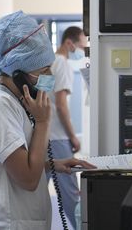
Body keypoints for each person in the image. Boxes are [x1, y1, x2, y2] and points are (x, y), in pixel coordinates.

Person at [0, 11, 94, 229]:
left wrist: (52, 165)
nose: (48, 77)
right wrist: (43, 122)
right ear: (17, 71)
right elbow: (27, 178)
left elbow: (14, 164)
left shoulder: (16, 101)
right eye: (43, 70)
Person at [48, 26, 87, 229]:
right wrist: (73, 136)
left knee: (36, 193)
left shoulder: (49, 64)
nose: (83, 50)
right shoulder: (62, 64)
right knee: (71, 195)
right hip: (57, 137)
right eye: (81, 46)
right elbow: (61, 106)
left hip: (43, 137)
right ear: (69, 43)